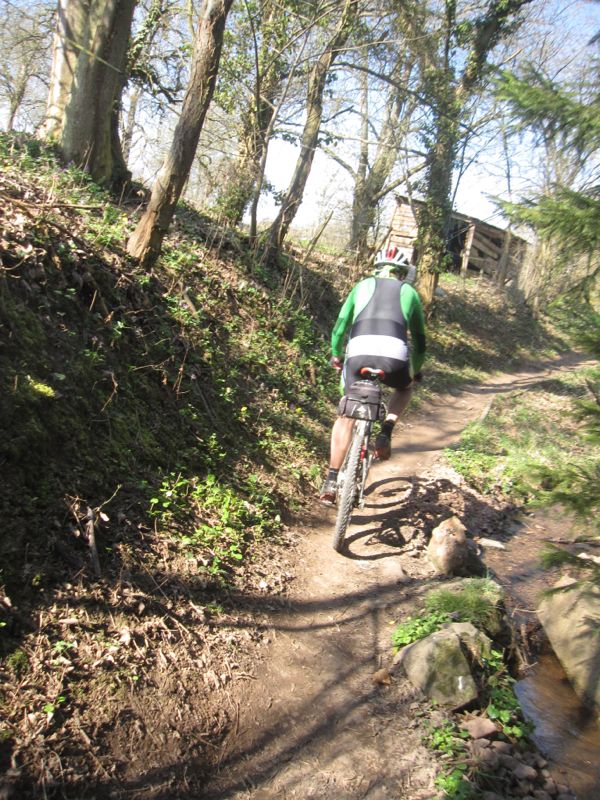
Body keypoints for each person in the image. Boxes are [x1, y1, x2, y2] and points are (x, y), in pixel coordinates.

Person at [319, 245, 426, 505]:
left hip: (358, 353)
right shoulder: (409, 292)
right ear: (402, 274)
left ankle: (331, 481)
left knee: (345, 415)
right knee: (405, 388)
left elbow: (340, 325)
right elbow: (421, 341)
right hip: (394, 356)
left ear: (377, 269)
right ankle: (386, 430)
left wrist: (336, 354)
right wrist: (415, 371)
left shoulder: (361, 286)